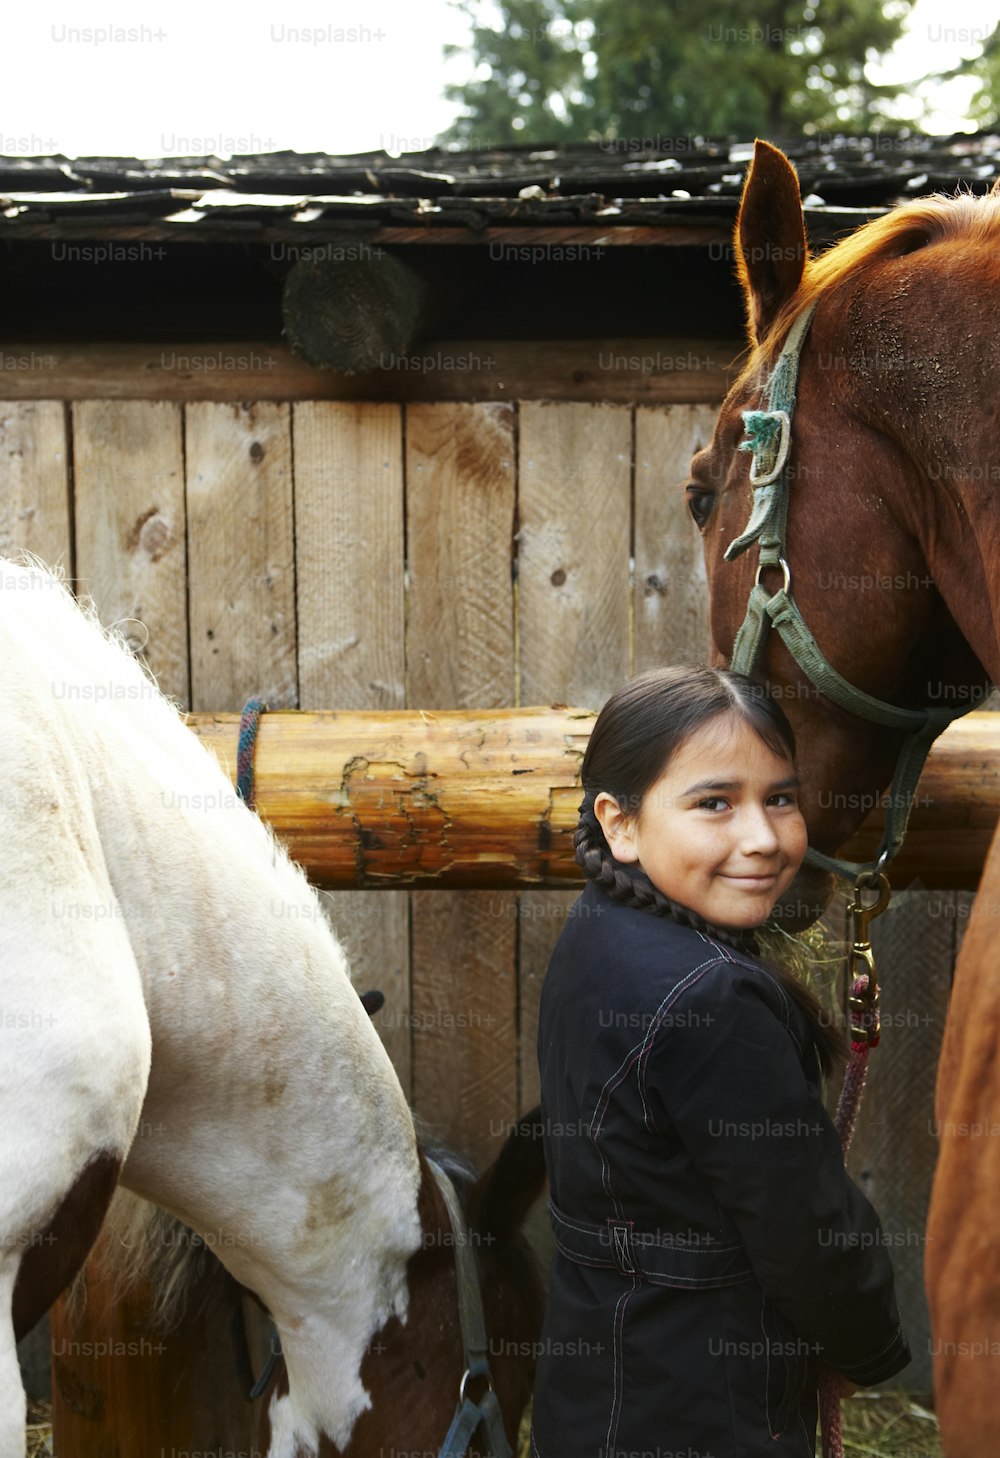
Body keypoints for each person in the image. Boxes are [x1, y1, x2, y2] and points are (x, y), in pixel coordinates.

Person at [530, 665, 909, 1458]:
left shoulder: (599, 930)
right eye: (714, 803)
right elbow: (806, 1236)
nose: (764, 838)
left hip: (601, 1393)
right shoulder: (713, 1001)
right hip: (711, 1414)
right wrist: (868, 1345)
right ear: (621, 823)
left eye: (779, 797)